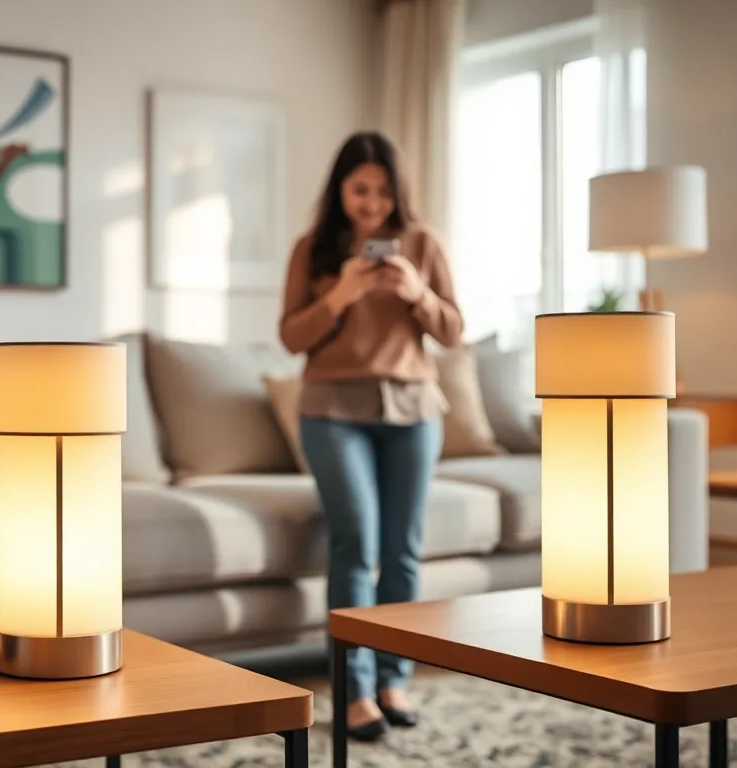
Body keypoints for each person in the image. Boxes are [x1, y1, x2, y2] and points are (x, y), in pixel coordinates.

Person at [278, 131, 463, 741]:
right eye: (361, 189)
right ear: (341, 189)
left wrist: (416, 292)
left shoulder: (423, 243)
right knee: (355, 543)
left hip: (412, 410)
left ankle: (394, 678)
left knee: (403, 550)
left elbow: (454, 330)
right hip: (332, 410)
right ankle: (353, 690)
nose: (373, 203)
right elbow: (292, 338)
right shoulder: (314, 248)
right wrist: (342, 294)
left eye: (384, 190)